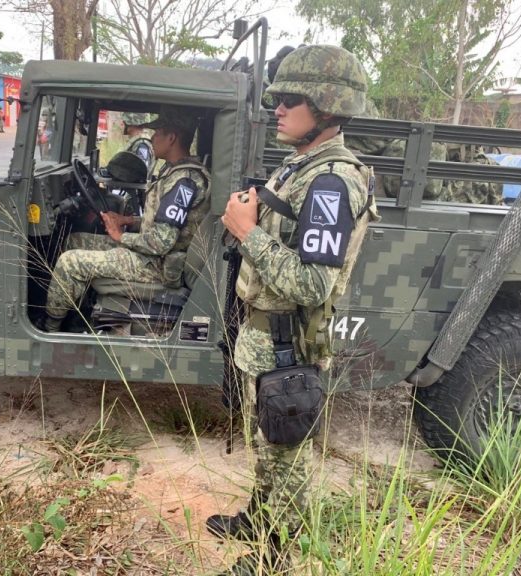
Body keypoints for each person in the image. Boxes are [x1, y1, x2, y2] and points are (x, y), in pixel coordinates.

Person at [208, 45, 379, 574]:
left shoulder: (331, 182)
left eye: (289, 99)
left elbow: (310, 283)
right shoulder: (301, 167)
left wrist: (247, 232)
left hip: (289, 347)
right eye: (275, 97)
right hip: (267, 340)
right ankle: (259, 522)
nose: (276, 108)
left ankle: (271, 560)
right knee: (270, 449)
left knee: (288, 460)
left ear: (325, 108)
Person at [39, 106, 210, 332]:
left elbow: (161, 242)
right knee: (74, 240)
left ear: (171, 138)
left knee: (69, 262)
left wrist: (121, 236)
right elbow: (168, 225)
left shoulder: (185, 180)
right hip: (152, 256)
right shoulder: (176, 173)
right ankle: (76, 315)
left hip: (156, 266)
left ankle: (50, 329)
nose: (152, 137)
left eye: (157, 132)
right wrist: (128, 220)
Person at [122, 112, 156, 178]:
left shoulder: (142, 144)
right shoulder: (138, 142)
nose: (123, 124)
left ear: (131, 123)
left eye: (125, 122)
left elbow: (140, 174)